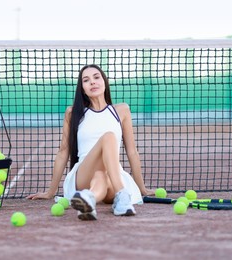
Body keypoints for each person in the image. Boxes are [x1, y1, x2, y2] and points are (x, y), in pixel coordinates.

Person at [27, 64, 152, 220]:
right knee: (109, 137)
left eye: (96, 77)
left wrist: (143, 189)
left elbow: (132, 151)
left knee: (101, 177)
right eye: (86, 80)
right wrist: (50, 192)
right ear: (83, 89)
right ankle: (122, 196)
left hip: (113, 176)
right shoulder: (72, 113)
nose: (92, 82)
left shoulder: (122, 110)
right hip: (83, 174)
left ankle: (89, 199)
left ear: (104, 82)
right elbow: (63, 152)